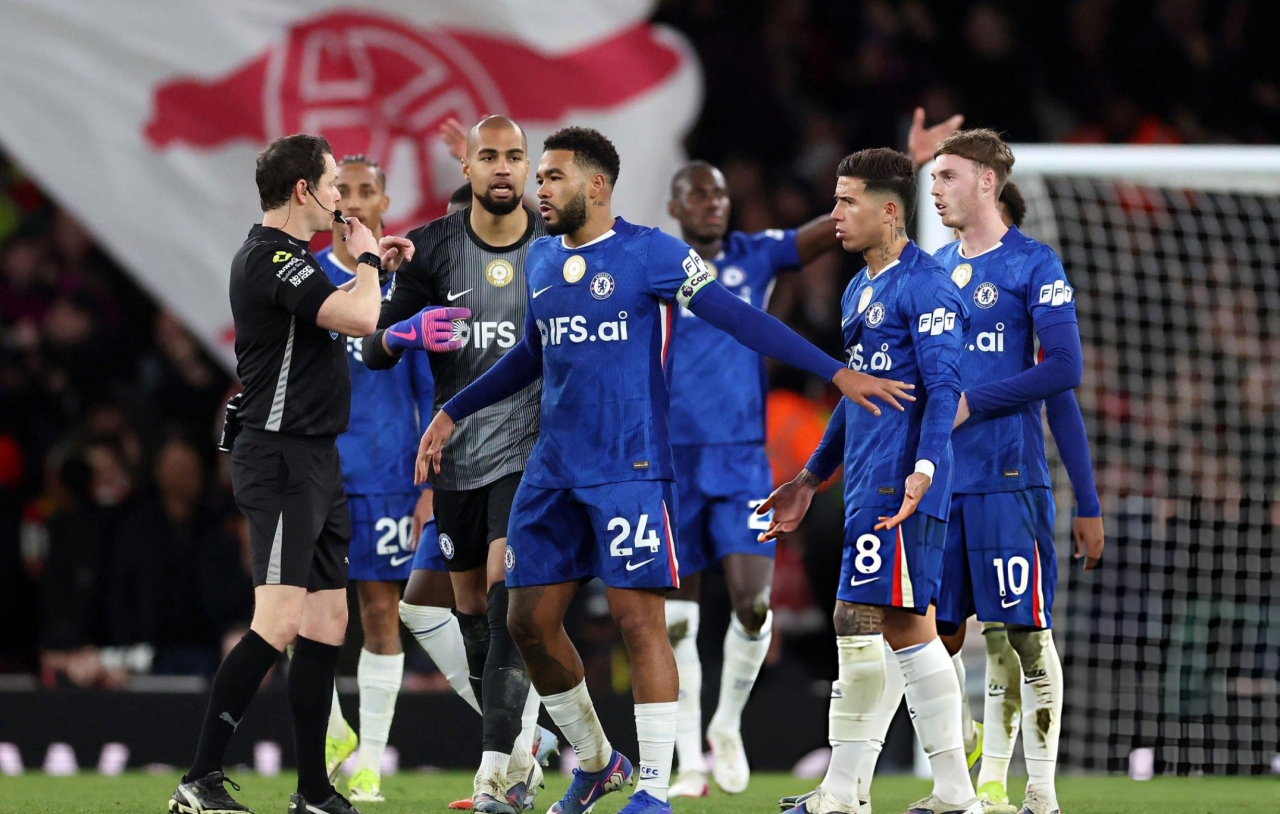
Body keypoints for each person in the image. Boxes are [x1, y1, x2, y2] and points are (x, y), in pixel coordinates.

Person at [415, 127, 914, 814]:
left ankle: (652, 786)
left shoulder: (650, 252)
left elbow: (739, 317)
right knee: (527, 621)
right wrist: (454, 410)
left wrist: (833, 370)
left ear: (595, 185)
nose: (540, 189)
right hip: (552, 468)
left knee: (641, 623)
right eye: (542, 178)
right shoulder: (539, 259)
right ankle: (595, 761)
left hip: (629, 468)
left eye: (553, 177)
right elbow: (532, 352)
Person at [168, 133, 451, 814]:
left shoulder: (297, 261)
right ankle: (199, 779)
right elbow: (359, 316)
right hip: (281, 453)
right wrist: (362, 263)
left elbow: (364, 314)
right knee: (279, 622)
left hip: (317, 456)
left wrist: (372, 261)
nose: (339, 197)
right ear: (303, 191)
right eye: (331, 184)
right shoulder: (269, 258)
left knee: (328, 623)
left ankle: (314, 791)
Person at [760, 148, 979, 814]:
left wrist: (922, 468)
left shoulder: (928, 286)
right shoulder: (860, 289)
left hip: (904, 485)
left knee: (864, 619)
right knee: (899, 626)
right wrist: (808, 477)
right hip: (865, 480)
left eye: (846, 201)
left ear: (889, 210)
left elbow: (944, 389)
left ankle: (860, 791)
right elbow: (857, 400)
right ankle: (926, 791)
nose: (834, 216)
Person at [361, 115, 550, 813]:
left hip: (530, 453)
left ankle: (493, 773)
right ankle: (530, 750)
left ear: (527, 169)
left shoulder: (554, 249)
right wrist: (405, 331)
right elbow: (374, 347)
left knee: (506, 597)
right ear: (466, 169)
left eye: (514, 156)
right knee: (470, 607)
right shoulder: (433, 250)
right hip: (456, 456)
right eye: (488, 157)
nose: (503, 167)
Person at [927, 130, 1102, 814]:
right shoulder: (936, 270)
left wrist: (1086, 500)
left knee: (1021, 632)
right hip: (941, 484)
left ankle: (1033, 789)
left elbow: (1063, 376)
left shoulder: (1035, 266)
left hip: (1009, 481)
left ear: (987, 182)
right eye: (933, 176)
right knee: (931, 638)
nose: (935, 188)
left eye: (947, 176)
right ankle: (973, 753)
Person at [660, 160, 839, 797]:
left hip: (742, 461)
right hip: (671, 462)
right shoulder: (652, 264)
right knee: (675, 619)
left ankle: (726, 726)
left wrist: (876, 184)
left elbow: (824, 231)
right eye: (700, 194)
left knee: (753, 606)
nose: (715, 203)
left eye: (722, 193)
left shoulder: (755, 257)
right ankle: (687, 761)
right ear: (674, 205)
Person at [313, 155, 472, 803]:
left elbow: (433, 391)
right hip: (316, 469)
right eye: (340, 191)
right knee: (294, 614)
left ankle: (371, 759)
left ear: (383, 204)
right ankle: (331, 730)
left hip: (384, 475)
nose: (351, 201)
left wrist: (430, 486)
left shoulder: (402, 288)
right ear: (325, 204)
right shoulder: (304, 279)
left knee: (380, 612)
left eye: (365, 191)